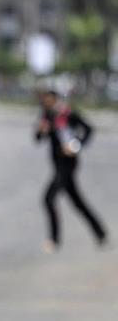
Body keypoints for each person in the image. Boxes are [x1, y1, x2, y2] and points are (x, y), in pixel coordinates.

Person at [35, 90, 108, 252]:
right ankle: (101, 233)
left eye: (49, 100)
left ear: (55, 100)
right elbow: (38, 138)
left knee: (48, 198)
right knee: (78, 202)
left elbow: (88, 129)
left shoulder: (67, 114)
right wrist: (41, 130)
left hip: (68, 164)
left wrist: (76, 145)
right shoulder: (46, 116)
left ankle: (54, 240)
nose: (46, 103)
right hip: (56, 163)